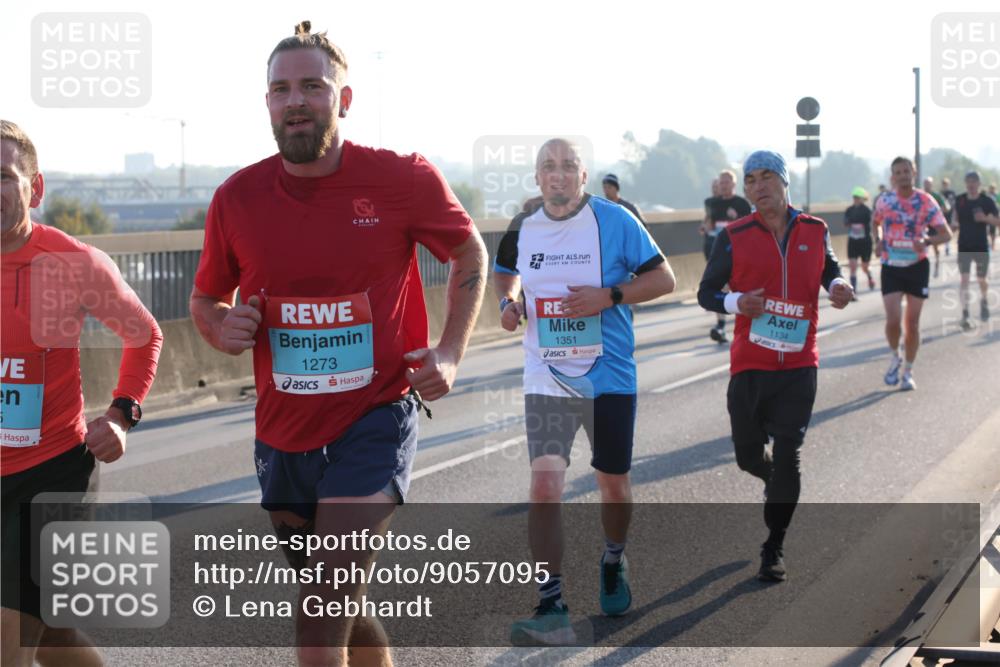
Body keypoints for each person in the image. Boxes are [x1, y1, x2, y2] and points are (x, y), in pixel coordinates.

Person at [188, 23, 486, 667]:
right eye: (280, 89)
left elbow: (469, 253)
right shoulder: (235, 198)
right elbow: (206, 300)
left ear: (343, 100)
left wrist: (451, 352)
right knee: (334, 592)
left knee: (322, 597)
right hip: (283, 430)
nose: (295, 101)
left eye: (313, 87)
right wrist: (221, 326)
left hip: (375, 418)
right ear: (267, 103)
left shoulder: (400, 178)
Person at [494, 138, 674, 644]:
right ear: (536, 177)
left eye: (567, 166)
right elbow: (505, 273)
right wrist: (510, 303)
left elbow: (665, 278)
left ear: (583, 175)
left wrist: (609, 296)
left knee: (612, 483)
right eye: (548, 167)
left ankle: (613, 558)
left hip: (609, 376)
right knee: (545, 485)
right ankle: (550, 603)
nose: (557, 175)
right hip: (545, 375)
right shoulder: (522, 224)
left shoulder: (615, 221)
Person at [1, 119, 162, 667]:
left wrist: (121, 413)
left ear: (34, 188)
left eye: (4, 176)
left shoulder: (73, 263)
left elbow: (144, 334)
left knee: (9, 644)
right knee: (53, 638)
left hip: (52, 475)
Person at [698, 150, 853, 583]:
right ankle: (768, 476)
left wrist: (839, 284)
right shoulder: (734, 234)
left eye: (767, 177)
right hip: (750, 364)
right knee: (749, 457)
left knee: (789, 456)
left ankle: (774, 544)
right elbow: (706, 292)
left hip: (800, 365)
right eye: (751, 180)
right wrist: (734, 302)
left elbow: (830, 268)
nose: (759, 186)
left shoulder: (814, 229)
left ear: (784, 182)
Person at [872, 157, 951, 391]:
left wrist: (926, 240)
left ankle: (908, 370)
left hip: (917, 266)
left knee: (913, 324)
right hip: (891, 266)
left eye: (906, 171)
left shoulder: (926, 202)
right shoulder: (884, 200)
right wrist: (877, 240)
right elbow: (875, 222)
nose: (903, 175)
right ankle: (895, 354)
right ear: (892, 176)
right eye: (898, 172)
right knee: (893, 320)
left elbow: (946, 234)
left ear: (913, 173)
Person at [702, 170, 752, 344]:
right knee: (720, 287)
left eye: (726, 182)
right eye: (721, 182)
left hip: (741, 253)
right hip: (718, 253)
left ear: (733, 184)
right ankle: (721, 326)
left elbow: (751, 228)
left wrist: (735, 218)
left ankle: (746, 324)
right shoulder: (712, 203)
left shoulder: (742, 204)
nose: (723, 185)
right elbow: (708, 224)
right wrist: (706, 228)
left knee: (741, 289)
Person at [952, 171, 1000, 330]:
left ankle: (984, 299)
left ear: (979, 184)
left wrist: (985, 219)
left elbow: (998, 221)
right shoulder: (960, 200)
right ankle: (965, 314)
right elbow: (954, 216)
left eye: (974, 181)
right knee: (964, 280)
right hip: (964, 245)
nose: (971, 184)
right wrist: (953, 224)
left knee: (981, 279)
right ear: (966, 183)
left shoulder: (987, 201)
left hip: (980, 245)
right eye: (968, 181)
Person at [844, 187, 875, 295]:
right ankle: (853, 291)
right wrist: (850, 223)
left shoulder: (867, 211)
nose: (855, 199)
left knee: (865, 267)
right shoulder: (849, 210)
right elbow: (845, 222)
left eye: (858, 197)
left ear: (863, 199)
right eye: (854, 197)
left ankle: (869, 276)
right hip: (853, 241)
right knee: (852, 266)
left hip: (865, 241)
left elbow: (872, 224)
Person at [923, 177, 949, 277]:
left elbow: (946, 207)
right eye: (925, 183)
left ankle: (937, 265)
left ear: (932, 184)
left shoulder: (936, 196)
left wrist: (938, 212)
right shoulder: (920, 195)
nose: (927, 185)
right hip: (924, 225)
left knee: (935, 247)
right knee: (923, 246)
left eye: (929, 183)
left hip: (934, 225)